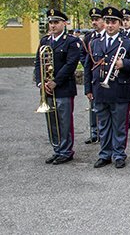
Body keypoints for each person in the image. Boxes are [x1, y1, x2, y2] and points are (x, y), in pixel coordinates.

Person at [84, 6, 130, 169]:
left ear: (120, 24)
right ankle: (104, 154)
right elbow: (89, 68)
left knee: (119, 125)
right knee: (103, 124)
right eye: (107, 21)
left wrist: (124, 63)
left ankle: (119, 154)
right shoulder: (95, 43)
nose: (110, 25)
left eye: (113, 22)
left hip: (119, 89)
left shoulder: (128, 43)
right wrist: (88, 89)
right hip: (100, 90)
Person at [35, 9, 81, 165]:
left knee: (64, 121)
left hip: (63, 88)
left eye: (56, 22)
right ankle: (57, 149)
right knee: (52, 121)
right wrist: (41, 83)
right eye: (51, 22)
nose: (53, 25)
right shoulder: (45, 41)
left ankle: (66, 150)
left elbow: (70, 64)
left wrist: (55, 81)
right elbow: (37, 63)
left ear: (64, 24)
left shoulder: (71, 41)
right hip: (47, 88)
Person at [82, 8, 105, 144]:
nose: (94, 22)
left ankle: (103, 133)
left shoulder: (107, 36)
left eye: (97, 20)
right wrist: (87, 87)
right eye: (93, 20)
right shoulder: (89, 38)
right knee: (93, 107)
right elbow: (84, 58)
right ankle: (94, 132)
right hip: (94, 77)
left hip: (106, 77)